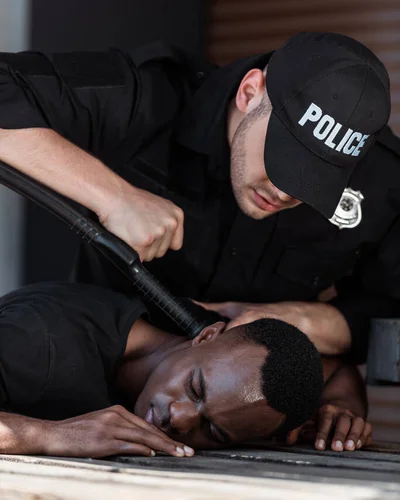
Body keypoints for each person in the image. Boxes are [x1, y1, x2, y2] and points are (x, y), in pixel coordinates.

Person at [0, 32, 399, 361]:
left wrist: (300, 321)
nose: (282, 191)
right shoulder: (149, 97)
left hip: (251, 423)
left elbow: (387, 319)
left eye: (315, 178)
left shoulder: (384, 181)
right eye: (282, 160)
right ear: (250, 93)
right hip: (98, 377)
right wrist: (114, 196)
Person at [0, 282, 370, 458]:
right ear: (206, 335)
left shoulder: (247, 362)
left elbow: (337, 371)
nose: (179, 420)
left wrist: (338, 408)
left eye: (211, 430)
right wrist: (48, 434)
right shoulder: (39, 338)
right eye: (195, 388)